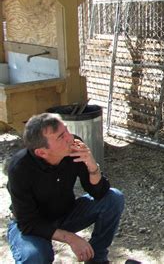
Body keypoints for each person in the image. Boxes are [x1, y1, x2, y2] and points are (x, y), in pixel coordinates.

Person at [6, 113, 124, 264]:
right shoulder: (20, 168)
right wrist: (71, 238)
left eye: (67, 130)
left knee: (114, 198)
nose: (70, 137)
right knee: (35, 256)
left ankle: (97, 259)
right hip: (33, 225)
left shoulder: (74, 147)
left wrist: (92, 165)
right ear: (42, 152)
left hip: (65, 214)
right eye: (61, 136)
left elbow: (99, 192)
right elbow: (28, 223)